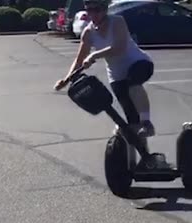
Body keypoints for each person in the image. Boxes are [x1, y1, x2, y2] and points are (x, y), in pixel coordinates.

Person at [54, 0, 156, 137]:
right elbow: (79, 60)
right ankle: (142, 154)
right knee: (131, 122)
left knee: (133, 84)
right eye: (89, 10)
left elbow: (119, 48)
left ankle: (147, 123)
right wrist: (66, 80)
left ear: (105, 10)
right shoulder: (88, 32)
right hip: (117, 75)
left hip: (139, 63)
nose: (93, 14)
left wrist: (95, 55)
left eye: (97, 10)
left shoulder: (117, 22)